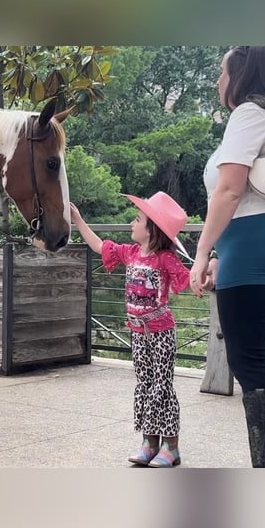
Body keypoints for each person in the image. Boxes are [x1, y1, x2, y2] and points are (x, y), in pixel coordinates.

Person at [190, 46, 265, 468]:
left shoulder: (249, 114)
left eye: (221, 73)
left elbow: (229, 190)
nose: (218, 82)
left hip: (255, 251)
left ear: (240, 75)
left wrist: (202, 253)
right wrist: (225, 254)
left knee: (249, 364)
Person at [70, 193, 190, 467]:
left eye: (138, 219)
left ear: (152, 230)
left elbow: (188, 279)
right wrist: (78, 220)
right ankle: (150, 443)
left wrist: (204, 278)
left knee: (163, 387)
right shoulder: (130, 252)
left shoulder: (165, 259)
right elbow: (100, 246)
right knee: (145, 384)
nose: (132, 223)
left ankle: (171, 447)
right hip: (138, 333)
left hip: (161, 333)